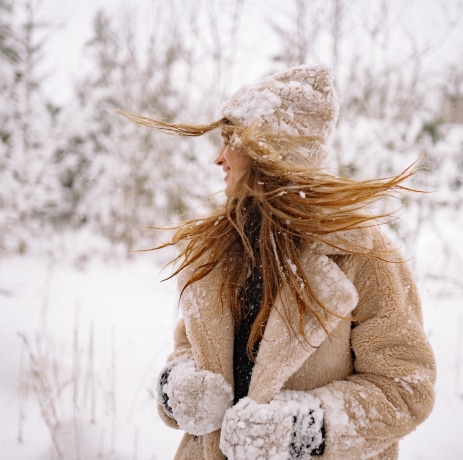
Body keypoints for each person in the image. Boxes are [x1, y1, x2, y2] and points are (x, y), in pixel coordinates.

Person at [120, 64, 436, 460]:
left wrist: (301, 431)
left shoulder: (361, 255)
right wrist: (179, 388)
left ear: (269, 151)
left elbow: (406, 387)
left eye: (230, 141)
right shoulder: (219, 252)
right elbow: (187, 348)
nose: (219, 158)